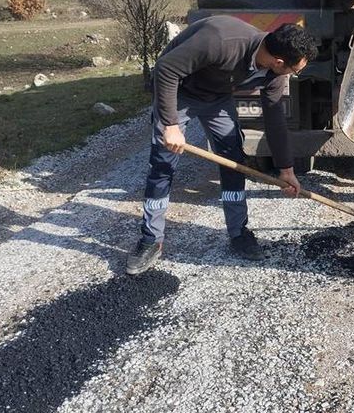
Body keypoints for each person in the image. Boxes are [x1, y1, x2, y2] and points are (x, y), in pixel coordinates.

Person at [126, 17, 318, 275]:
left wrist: (286, 169)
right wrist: (170, 125)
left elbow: (275, 119)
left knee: (234, 161)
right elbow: (166, 69)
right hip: (179, 92)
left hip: (217, 98)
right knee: (163, 164)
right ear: (279, 61)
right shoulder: (221, 41)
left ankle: (238, 233)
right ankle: (151, 240)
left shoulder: (273, 73)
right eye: (295, 70)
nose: (294, 75)